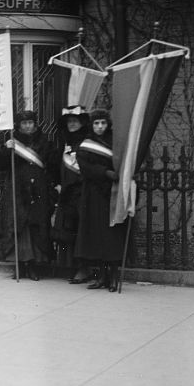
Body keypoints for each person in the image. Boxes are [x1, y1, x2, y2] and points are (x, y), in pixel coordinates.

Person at [0, 109, 59, 281]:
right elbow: (0, 165)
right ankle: (20, 264)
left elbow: (51, 165)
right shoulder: (12, 142)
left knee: (36, 226)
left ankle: (34, 265)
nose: (28, 126)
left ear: (35, 124)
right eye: (24, 123)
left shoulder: (44, 142)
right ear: (19, 125)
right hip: (16, 190)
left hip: (38, 190)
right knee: (18, 226)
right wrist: (7, 150)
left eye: (30, 123)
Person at [74, 109, 124, 292]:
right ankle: (101, 276)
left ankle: (113, 277)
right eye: (96, 123)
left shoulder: (116, 143)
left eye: (103, 123)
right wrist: (105, 172)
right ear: (91, 125)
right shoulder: (86, 144)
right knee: (97, 236)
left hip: (112, 193)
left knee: (111, 235)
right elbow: (85, 167)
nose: (100, 127)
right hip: (93, 194)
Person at [53, 106, 92, 283]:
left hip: (83, 192)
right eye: (69, 121)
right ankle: (71, 266)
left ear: (82, 123)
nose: (72, 124)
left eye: (75, 121)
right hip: (67, 192)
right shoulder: (64, 142)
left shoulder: (88, 142)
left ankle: (84, 268)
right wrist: (58, 184)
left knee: (82, 231)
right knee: (68, 230)